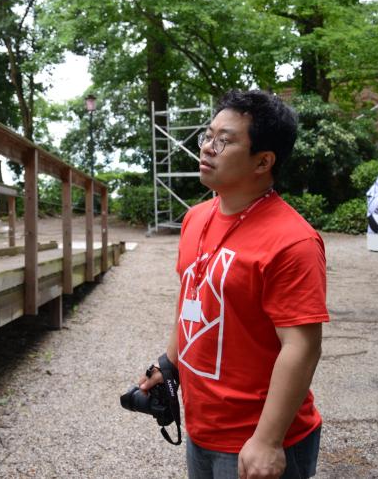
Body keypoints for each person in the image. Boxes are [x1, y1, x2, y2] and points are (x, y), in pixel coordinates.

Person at [137, 89, 329, 479]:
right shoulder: (196, 217)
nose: (207, 148)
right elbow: (191, 300)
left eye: (224, 141)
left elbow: (302, 346)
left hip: (255, 440)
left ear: (263, 161)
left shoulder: (293, 241)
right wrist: (169, 365)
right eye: (207, 136)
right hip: (202, 427)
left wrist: (268, 440)